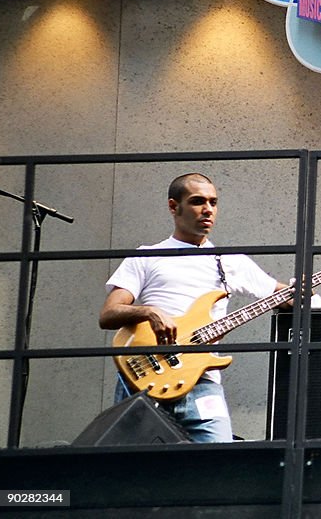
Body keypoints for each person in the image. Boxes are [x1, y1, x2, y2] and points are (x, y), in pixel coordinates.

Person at [99, 173, 286, 443]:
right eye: (198, 201)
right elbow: (108, 314)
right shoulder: (146, 256)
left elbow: (282, 294)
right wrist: (150, 312)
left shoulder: (229, 261)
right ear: (174, 207)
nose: (208, 209)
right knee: (131, 468)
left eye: (213, 202)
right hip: (145, 377)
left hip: (203, 382)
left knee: (219, 462)